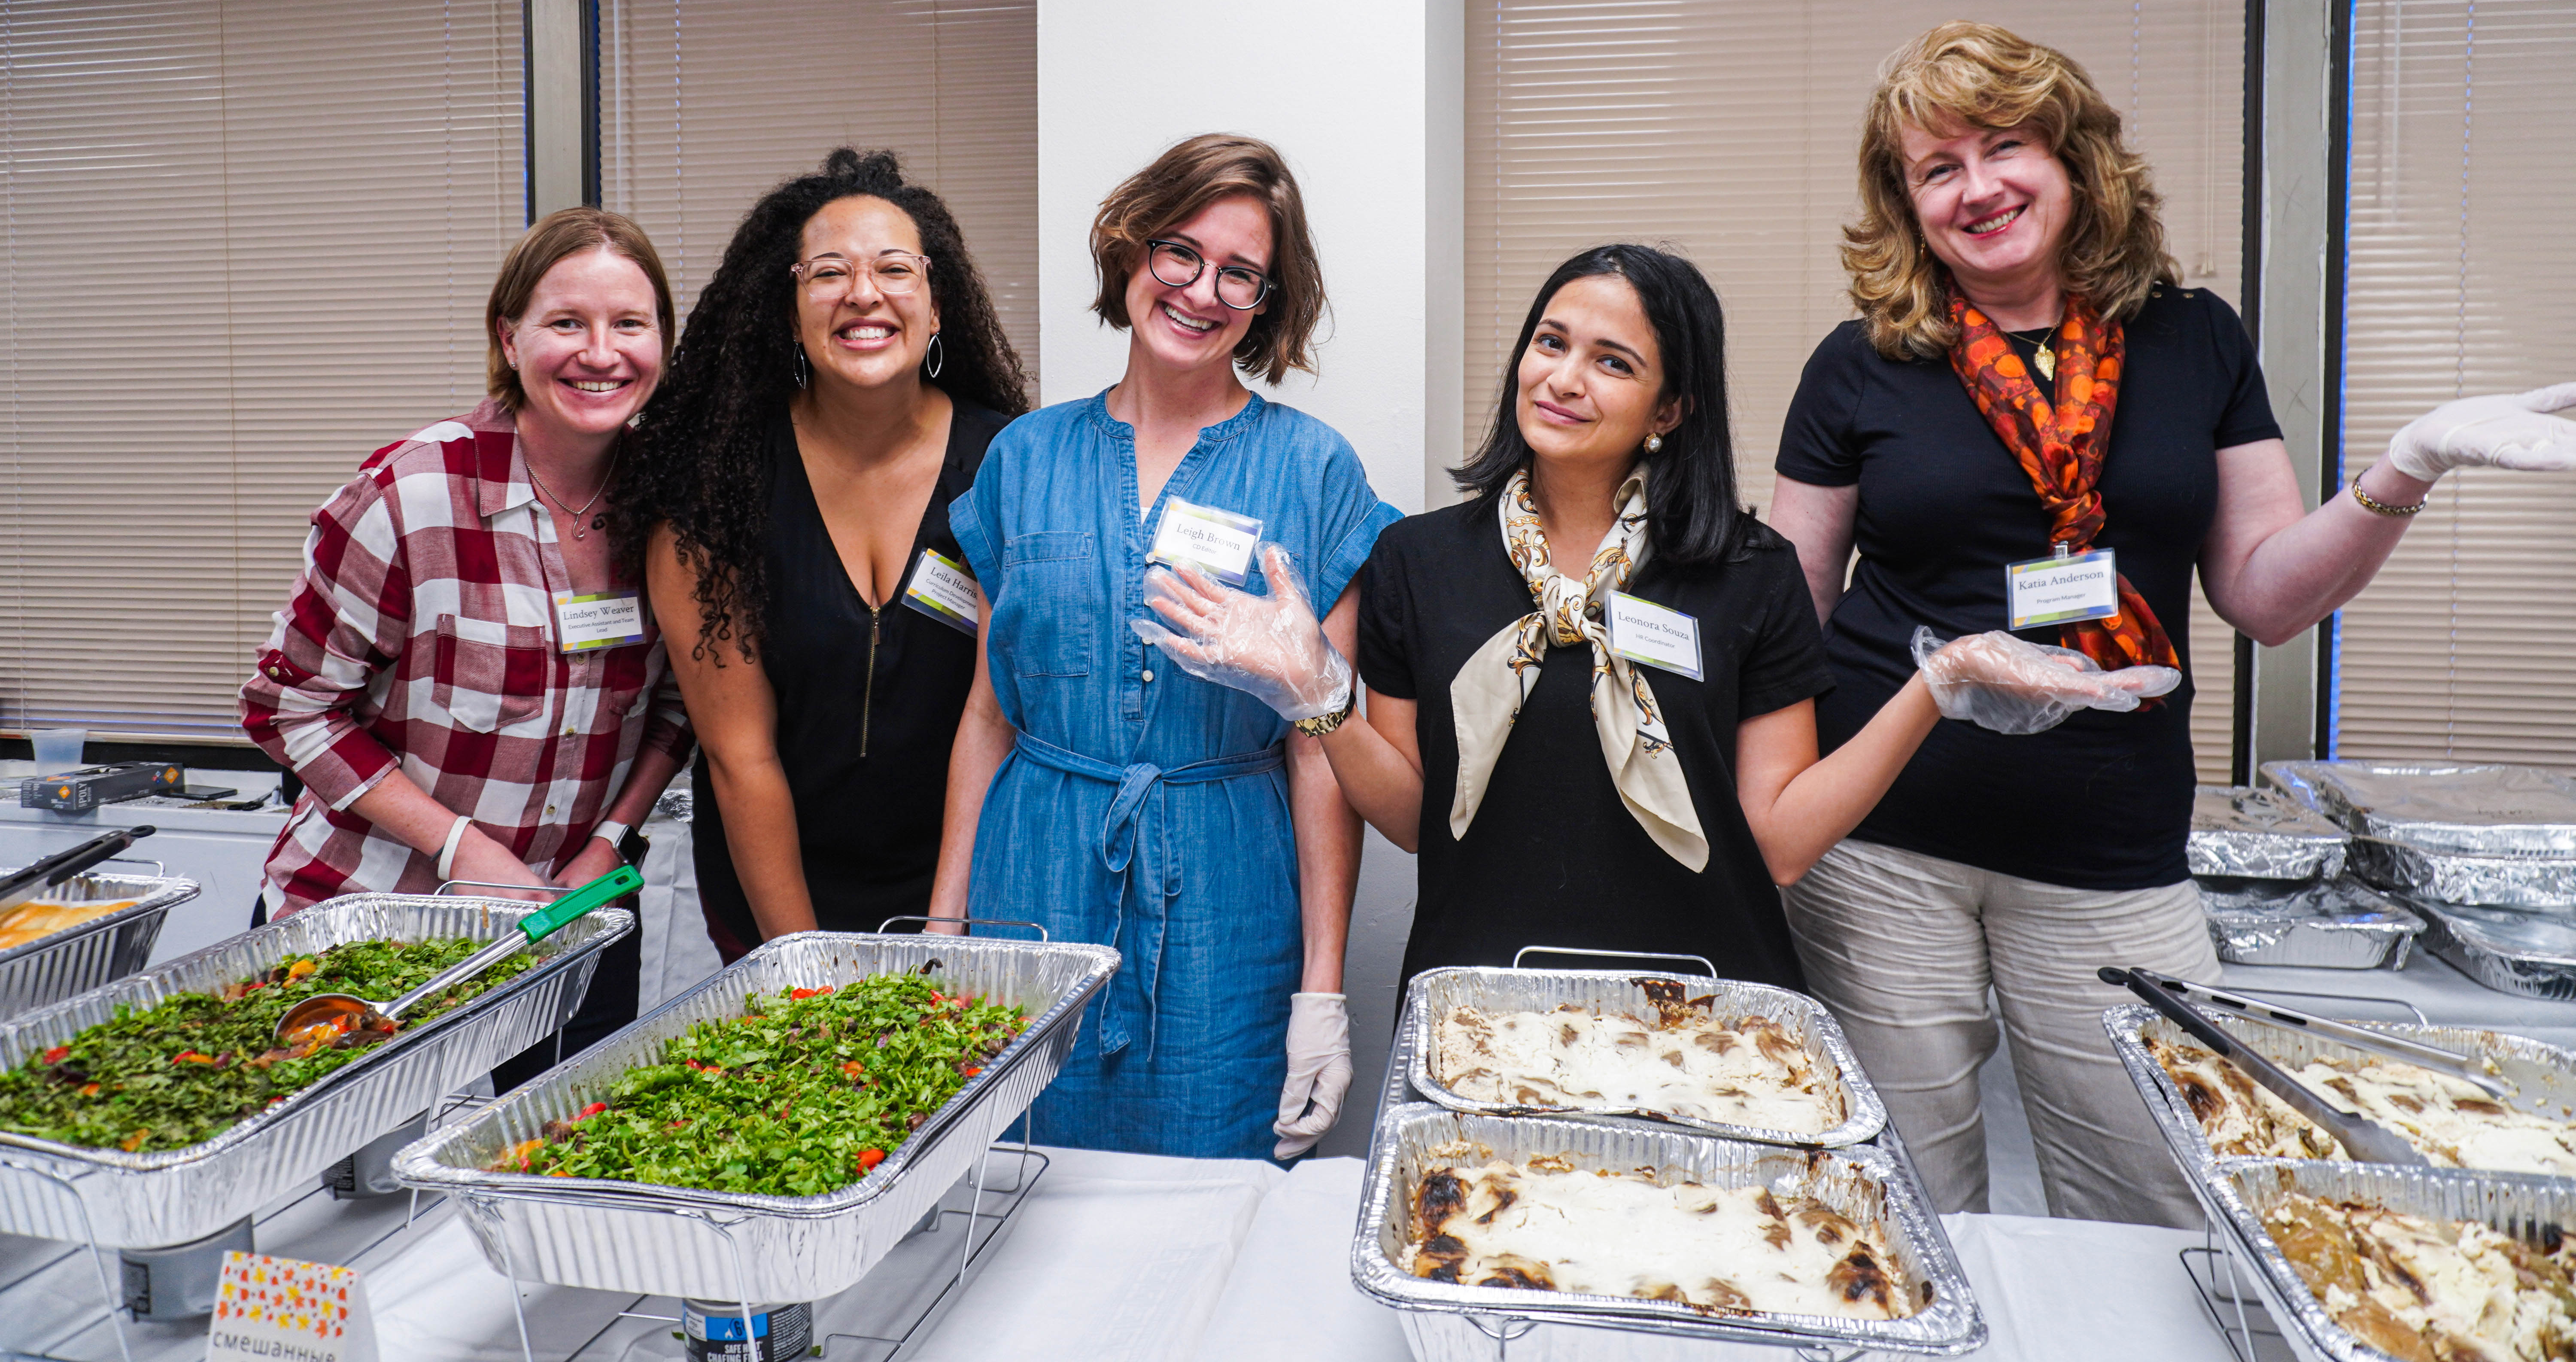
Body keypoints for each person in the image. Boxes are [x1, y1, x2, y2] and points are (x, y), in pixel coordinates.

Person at [1766, 20, 2576, 1225]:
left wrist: (2405, 467)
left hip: (2109, 846)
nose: (1978, 187)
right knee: (1895, 1202)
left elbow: (2264, 594)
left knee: (2156, 1202)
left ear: (2075, 157)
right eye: (1938, 169)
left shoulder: (2191, 339)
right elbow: (1789, 620)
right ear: (1907, 204)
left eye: (2004, 147)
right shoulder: (1863, 363)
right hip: (1885, 850)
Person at [1131, 243, 2157, 1005]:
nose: (1565, 378)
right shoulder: (1419, 561)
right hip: (1480, 997)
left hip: (1705, 994)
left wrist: (1939, 687)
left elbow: (1781, 845)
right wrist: (1318, 695)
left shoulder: (1748, 575)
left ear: (1671, 408)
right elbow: (1411, 816)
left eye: (1614, 362)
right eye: (1551, 342)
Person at [927, 134, 1400, 1162]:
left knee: (1210, 1201)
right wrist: (943, 929)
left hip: (1223, 892)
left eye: (1241, 273)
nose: (1201, 290)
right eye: (1179, 252)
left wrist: (1323, 990)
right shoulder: (1024, 456)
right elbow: (985, 713)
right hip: (1034, 878)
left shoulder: (1310, 469)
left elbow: (1317, 743)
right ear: (1130, 250)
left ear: (1267, 301)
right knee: (1015, 1195)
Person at [241, 206, 691, 1072]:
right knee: (344, 1196)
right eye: (566, 322)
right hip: (375, 922)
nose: (601, 353)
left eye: (630, 323)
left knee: (553, 1184)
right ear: (509, 334)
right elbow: (290, 710)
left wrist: (610, 840)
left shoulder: (672, 506)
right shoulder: (409, 495)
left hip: (571, 923)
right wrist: (460, 847)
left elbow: (679, 704)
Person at [620, 149, 1029, 960]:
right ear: (789, 308)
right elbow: (742, 756)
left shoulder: (1014, 466)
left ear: (937, 304)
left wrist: (950, 928)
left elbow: (1005, 723)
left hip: (975, 888)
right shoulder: (716, 484)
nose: (864, 294)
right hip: (775, 892)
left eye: (895, 269)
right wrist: (802, 965)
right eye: (829, 272)